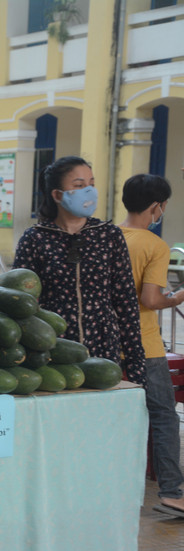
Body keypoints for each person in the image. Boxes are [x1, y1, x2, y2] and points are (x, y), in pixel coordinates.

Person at [13, 155, 146, 385]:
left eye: (91, 185)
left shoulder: (109, 235)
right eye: (79, 186)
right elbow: (21, 303)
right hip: (54, 349)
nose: (89, 191)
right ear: (57, 195)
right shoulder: (35, 238)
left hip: (103, 348)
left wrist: (136, 367)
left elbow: (125, 301)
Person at [118, 174, 184, 517]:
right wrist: (180, 295)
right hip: (145, 345)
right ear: (157, 207)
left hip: (106, 345)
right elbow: (152, 299)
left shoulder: (108, 236)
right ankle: (172, 492)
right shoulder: (154, 245)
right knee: (163, 417)